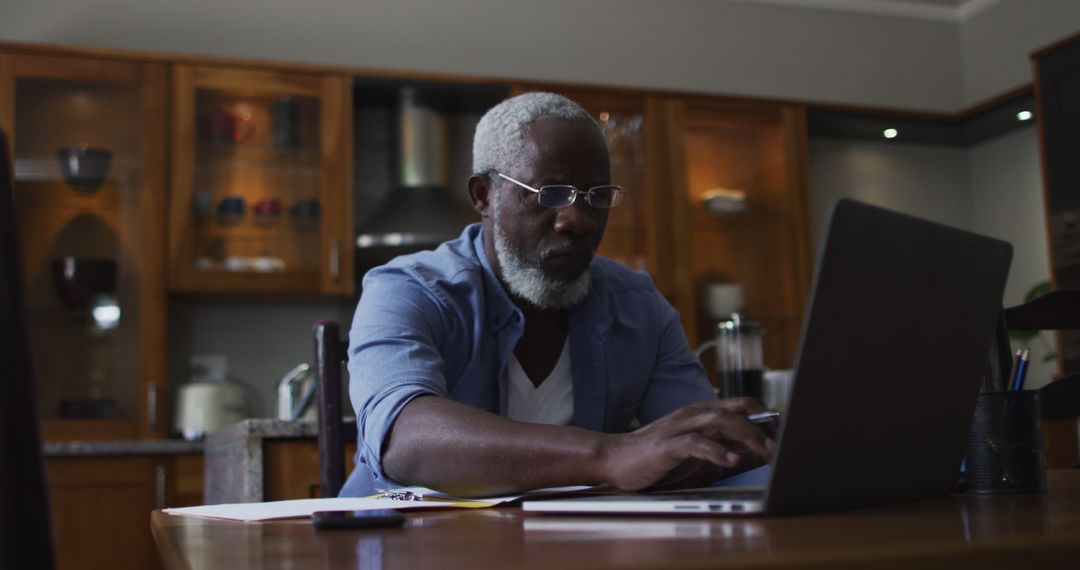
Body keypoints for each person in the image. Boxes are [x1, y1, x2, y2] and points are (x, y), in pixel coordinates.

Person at [340, 92, 774, 498]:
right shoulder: (408, 290)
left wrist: (755, 444)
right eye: (550, 194)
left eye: (597, 197)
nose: (578, 220)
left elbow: (700, 443)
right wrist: (609, 455)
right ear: (484, 195)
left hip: (570, 545)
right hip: (403, 542)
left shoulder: (638, 306)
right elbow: (403, 437)